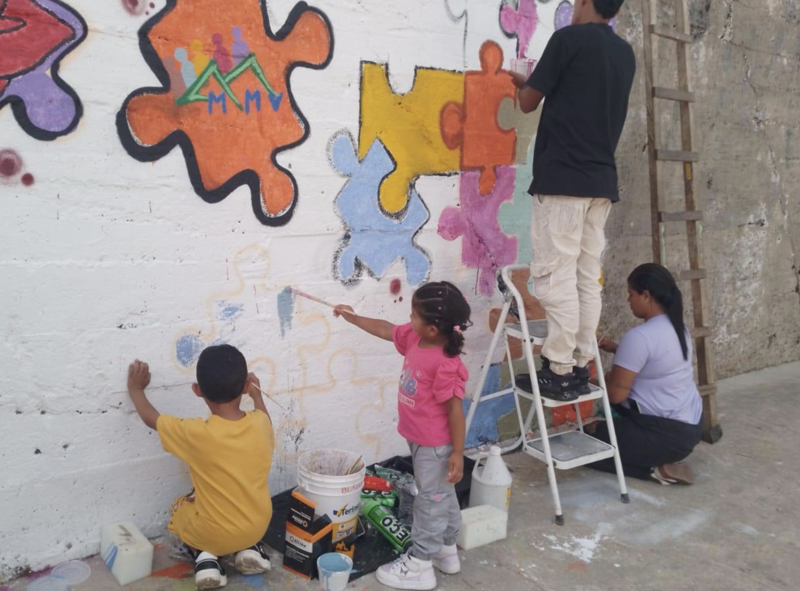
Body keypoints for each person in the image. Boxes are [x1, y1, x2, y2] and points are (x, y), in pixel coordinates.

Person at [509, 0, 636, 400]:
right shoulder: (624, 52)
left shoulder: (567, 40)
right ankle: (579, 364)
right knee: (585, 277)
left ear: (583, 2)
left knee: (553, 276)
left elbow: (529, 102)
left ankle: (559, 369)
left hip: (563, 178)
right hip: (600, 181)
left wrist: (520, 83)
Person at [334, 282, 471, 591]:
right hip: (419, 439)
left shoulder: (445, 363)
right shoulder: (415, 337)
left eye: (415, 313)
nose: (409, 316)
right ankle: (446, 550)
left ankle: (421, 565)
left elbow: (455, 411)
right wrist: (353, 318)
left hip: (436, 445)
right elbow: (385, 329)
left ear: (434, 329)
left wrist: (457, 453)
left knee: (430, 500)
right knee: (441, 493)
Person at [127, 345, 274, 590]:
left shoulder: (196, 434)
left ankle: (206, 559)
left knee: (180, 508)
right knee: (237, 514)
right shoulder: (261, 425)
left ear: (197, 390)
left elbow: (151, 419)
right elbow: (263, 415)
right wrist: (257, 395)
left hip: (214, 534)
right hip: (260, 524)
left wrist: (135, 389)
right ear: (246, 387)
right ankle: (249, 548)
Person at [588, 263, 704, 485]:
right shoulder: (679, 327)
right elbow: (653, 359)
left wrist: (588, 381)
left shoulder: (640, 336)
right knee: (609, 417)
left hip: (666, 435)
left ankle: (654, 469)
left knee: (586, 443)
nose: (628, 300)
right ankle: (655, 457)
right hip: (692, 426)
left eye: (631, 294)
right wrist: (615, 348)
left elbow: (615, 396)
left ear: (646, 296)